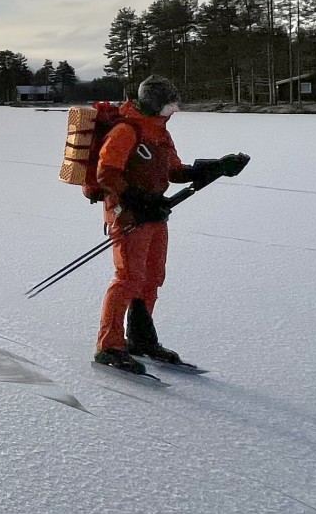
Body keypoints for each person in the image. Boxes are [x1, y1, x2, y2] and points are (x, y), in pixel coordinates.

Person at [92, 76, 248, 372]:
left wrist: (216, 167)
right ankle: (109, 346)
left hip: (155, 213)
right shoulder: (126, 129)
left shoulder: (160, 131)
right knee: (128, 279)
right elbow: (107, 173)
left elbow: (174, 171)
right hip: (129, 215)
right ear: (153, 103)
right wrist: (138, 200)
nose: (174, 111)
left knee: (152, 278)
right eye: (169, 105)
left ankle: (140, 338)